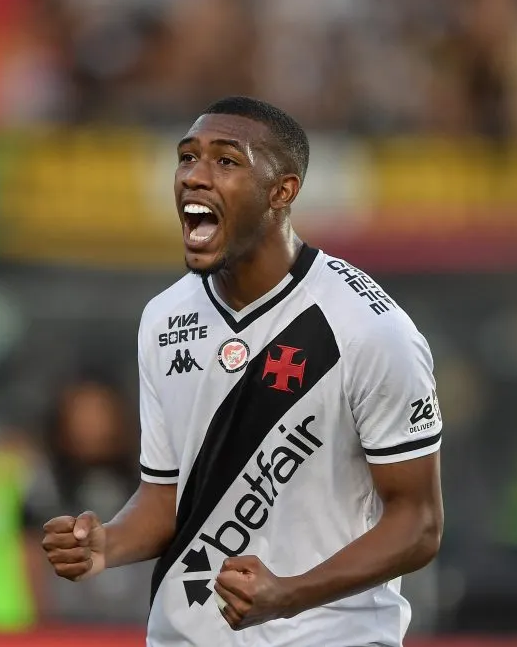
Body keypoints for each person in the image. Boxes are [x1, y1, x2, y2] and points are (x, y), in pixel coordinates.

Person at [41, 96, 444, 646]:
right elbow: (165, 498)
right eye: (187, 158)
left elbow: (419, 524)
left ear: (282, 192)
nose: (195, 176)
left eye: (226, 161)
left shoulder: (370, 329)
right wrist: (106, 544)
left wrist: (289, 593)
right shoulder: (164, 318)